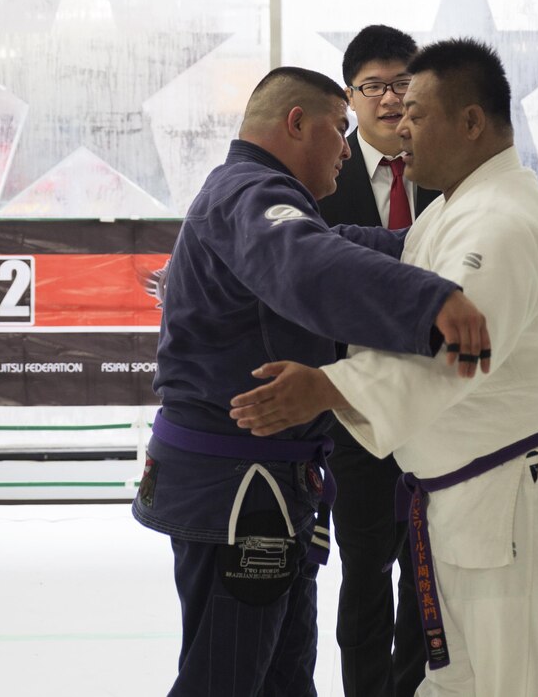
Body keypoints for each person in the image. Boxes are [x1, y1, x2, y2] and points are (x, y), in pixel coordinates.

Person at [230, 40, 538, 697]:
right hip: (465, 497)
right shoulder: (448, 210)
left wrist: (327, 387)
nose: (399, 124)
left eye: (415, 110)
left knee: (517, 684)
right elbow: (395, 306)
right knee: (453, 684)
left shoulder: (503, 221)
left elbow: (454, 356)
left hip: (513, 496)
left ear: (471, 122)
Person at [132, 65, 491, 697]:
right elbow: (308, 262)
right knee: (227, 680)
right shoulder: (249, 194)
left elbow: (333, 241)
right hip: (238, 492)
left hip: (267, 486)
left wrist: (433, 245)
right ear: (297, 124)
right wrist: (429, 300)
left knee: (283, 679)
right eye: (340, 128)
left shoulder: (257, 197)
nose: (348, 149)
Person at [318, 25, 439, 697]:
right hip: (355, 411)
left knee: (430, 571)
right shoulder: (322, 179)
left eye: (403, 84)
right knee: (364, 571)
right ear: (350, 96)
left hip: (435, 405)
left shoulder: (448, 174)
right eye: (374, 86)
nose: (391, 100)